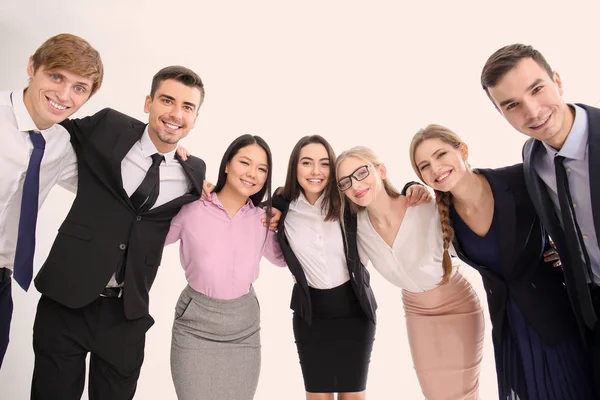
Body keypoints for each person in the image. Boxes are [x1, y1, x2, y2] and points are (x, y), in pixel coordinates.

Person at [31, 65, 206, 400]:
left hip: (126, 315)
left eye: (187, 107)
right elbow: (52, 131)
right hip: (66, 299)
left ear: (195, 118)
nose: (175, 114)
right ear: (148, 103)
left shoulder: (194, 171)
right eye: (167, 101)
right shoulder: (108, 126)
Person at [411, 124, 595, 399]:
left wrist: (568, 247)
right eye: (424, 166)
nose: (435, 168)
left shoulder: (518, 178)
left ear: (462, 150)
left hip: (556, 320)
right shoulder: (442, 216)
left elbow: (576, 208)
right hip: (510, 331)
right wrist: (409, 188)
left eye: (440, 155)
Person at [481, 43, 600, 395]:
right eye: (512, 105)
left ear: (557, 81)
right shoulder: (532, 158)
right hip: (591, 312)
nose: (532, 111)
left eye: (537, 89)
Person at [336, 146, 484, 400]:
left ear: (380, 171)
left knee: (465, 394)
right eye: (345, 182)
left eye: (361, 173)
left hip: (458, 304)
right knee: (435, 394)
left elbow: (470, 208)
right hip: (417, 313)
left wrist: (416, 185)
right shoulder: (355, 229)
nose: (355, 184)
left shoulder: (421, 202)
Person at [0, 33, 103, 368]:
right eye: (56, 76)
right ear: (33, 67)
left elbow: (110, 187)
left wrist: (182, 166)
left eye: (79, 87)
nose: (64, 95)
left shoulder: (60, 145)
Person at [165, 134, 285, 400]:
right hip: (195, 325)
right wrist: (174, 167)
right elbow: (151, 236)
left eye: (262, 169)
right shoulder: (192, 208)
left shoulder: (263, 220)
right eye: (245, 162)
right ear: (227, 164)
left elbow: (282, 259)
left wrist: (285, 215)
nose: (252, 173)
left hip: (243, 328)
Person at [272, 135, 377, 400]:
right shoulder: (282, 205)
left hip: (355, 313)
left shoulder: (348, 200)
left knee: (352, 395)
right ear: (294, 167)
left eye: (324, 164)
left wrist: (412, 186)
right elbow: (242, 202)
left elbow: (383, 195)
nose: (316, 171)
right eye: (307, 163)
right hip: (311, 317)